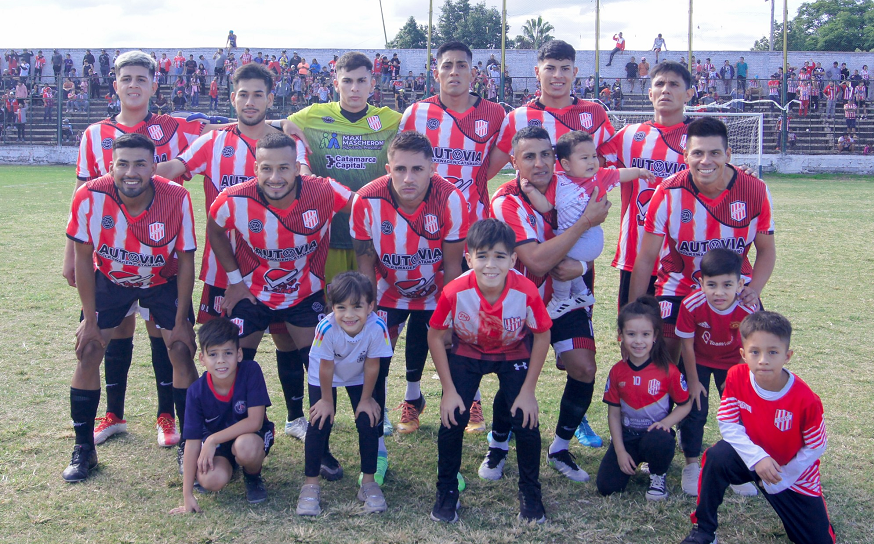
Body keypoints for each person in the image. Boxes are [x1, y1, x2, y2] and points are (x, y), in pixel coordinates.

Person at [64, 51, 222, 456]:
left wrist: (286, 125)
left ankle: (167, 416)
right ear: (114, 84)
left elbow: (224, 129)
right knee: (112, 334)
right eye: (126, 78)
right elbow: (81, 195)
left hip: (161, 255)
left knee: (168, 339)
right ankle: (111, 416)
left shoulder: (173, 128)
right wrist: (69, 253)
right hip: (111, 254)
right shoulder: (94, 134)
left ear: (154, 85)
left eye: (141, 79)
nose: (133, 85)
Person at [156, 63, 311, 440]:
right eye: (243, 94)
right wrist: (129, 171)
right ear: (232, 98)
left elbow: (305, 178)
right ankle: (229, 425)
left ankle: (294, 418)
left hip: (277, 267)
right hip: (223, 271)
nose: (250, 101)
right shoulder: (213, 142)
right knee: (226, 347)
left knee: (286, 340)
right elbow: (174, 167)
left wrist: (287, 127)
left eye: (259, 94)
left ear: (270, 98)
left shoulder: (285, 141)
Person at [206, 131, 353, 462]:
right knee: (230, 364)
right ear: (255, 169)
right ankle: (235, 440)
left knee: (320, 366)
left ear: (297, 169)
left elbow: (364, 206)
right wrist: (235, 280)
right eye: (267, 168)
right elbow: (214, 228)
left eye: (284, 168)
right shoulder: (234, 198)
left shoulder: (323, 190)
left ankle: (320, 447)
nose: (275, 177)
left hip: (304, 293)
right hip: (253, 293)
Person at [62, 133, 199, 482]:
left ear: (154, 167)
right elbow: (83, 257)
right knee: (89, 350)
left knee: (181, 350)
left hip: (162, 279)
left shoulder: (176, 197)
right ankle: (84, 449)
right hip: (111, 279)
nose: (131, 172)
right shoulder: (89, 194)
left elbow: (186, 260)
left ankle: (190, 445)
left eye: (140, 164)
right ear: (111, 167)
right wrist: (89, 319)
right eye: (122, 164)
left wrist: (181, 320)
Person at [490, 127, 612, 483]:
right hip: (523, 300)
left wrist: (584, 265)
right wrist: (585, 222)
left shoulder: (573, 185)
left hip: (567, 298)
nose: (540, 163)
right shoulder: (506, 199)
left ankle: (559, 447)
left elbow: (593, 241)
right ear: (514, 161)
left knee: (584, 368)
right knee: (516, 374)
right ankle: (498, 444)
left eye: (546, 154)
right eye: (529, 156)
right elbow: (538, 261)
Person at [350, 131, 467, 471]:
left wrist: (449, 318)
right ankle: (377, 448)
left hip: (437, 290)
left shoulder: (450, 198)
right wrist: (368, 314)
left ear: (432, 168)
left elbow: (453, 265)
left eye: (417, 169)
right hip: (387, 290)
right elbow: (365, 264)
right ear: (388, 169)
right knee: (375, 359)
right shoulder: (366, 199)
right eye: (400, 169)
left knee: (448, 356)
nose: (408, 178)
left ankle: (443, 452)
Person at [427, 219, 552, 523]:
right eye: (482, 256)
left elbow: (542, 335)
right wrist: (449, 391)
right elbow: (435, 335)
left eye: (499, 256)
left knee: (525, 418)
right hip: (468, 351)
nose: (490, 265)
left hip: (512, 352)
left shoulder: (526, 291)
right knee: (453, 417)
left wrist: (528, 391)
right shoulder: (454, 291)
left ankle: (530, 491)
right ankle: (446, 490)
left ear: (513, 259)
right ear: (468, 258)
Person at [628, 117, 777, 366]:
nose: (706, 161)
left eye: (715, 153)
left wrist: (754, 290)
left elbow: (767, 250)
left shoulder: (755, 190)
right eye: (697, 153)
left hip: (733, 287)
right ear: (686, 155)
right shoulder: (667, 192)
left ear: (728, 154)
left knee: (753, 353)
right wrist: (634, 314)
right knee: (665, 354)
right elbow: (646, 258)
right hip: (679, 286)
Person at [681, 312, 835, 544]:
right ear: (743, 354)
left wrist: (784, 478)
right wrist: (757, 458)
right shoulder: (736, 376)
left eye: (772, 352)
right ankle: (704, 530)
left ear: (787, 356)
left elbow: (817, 445)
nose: (763, 360)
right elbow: (728, 422)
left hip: (789, 473)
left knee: (818, 540)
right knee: (717, 456)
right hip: (752, 458)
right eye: (755, 352)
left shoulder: (806, 399)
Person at [283, 52, 402, 288]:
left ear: (372, 84)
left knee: (369, 301)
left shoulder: (392, 120)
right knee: (333, 302)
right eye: (347, 81)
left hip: (374, 234)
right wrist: (281, 123)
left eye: (361, 81)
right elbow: (257, 128)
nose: (354, 88)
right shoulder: (311, 115)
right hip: (328, 234)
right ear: (336, 84)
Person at [522, 131, 654, 318]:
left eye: (593, 156)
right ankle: (582, 293)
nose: (592, 162)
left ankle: (561, 298)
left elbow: (620, 174)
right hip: (569, 235)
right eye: (584, 158)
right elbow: (545, 206)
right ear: (566, 164)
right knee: (560, 255)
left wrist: (639, 172)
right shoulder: (558, 181)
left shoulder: (599, 176)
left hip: (590, 237)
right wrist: (530, 191)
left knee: (557, 257)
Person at [295, 272, 393, 516]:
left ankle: (368, 482)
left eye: (357, 307)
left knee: (369, 419)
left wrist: (366, 399)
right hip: (325, 373)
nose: (349, 315)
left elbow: (373, 365)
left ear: (370, 306)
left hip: (360, 373)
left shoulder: (377, 327)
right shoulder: (326, 328)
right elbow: (326, 366)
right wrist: (326, 400)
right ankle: (310, 485)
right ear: (332, 307)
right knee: (320, 420)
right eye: (341, 307)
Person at [601, 61, 695, 310]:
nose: (666, 90)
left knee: (680, 332)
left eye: (674, 84)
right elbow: (589, 169)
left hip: (684, 259)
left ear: (688, 94)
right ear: (650, 93)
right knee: (633, 329)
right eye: (660, 84)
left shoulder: (698, 140)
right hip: (635, 253)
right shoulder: (629, 135)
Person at [674, 248, 759, 497]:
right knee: (695, 409)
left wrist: (739, 378)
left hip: (733, 363)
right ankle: (691, 464)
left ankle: (736, 467)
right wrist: (692, 381)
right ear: (701, 283)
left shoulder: (749, 309)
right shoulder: (692, 304)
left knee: (738, 412)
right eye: (711, 285)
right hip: (698, 360)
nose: (719, 292)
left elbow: (752, 347)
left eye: (727, 285)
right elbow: (686, 345)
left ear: (740, 284)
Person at [171, 318, 274, 512]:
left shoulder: (251, 371)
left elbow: (255, 421)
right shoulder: (196, 391)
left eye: (228, 353)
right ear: (202, 359)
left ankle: (252, 476)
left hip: (250, 437)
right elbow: (192, 442)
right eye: (213, 354)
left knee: (246, 448)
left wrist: (212, 440)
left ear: (239, 354)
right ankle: (228, 465)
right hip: (219, 445)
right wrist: (187, 496)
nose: (221, 361)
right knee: (211, 480)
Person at [595, 296, 691, 500]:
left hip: (653, 436)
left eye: (645, 334)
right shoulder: (617, 371)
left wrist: (665, 423)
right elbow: (614, 414)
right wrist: (620, 451)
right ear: (621, 335)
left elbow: (685, 405)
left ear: (655, 336)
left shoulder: (668, 370)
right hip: (627, 437)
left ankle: (658, 474)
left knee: (660, 439)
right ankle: (631, 459)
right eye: (631, 334)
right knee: (607, 487)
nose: (638, 341)